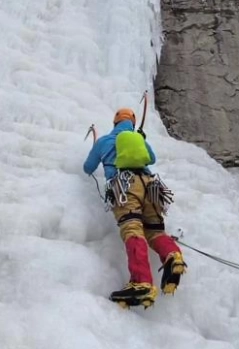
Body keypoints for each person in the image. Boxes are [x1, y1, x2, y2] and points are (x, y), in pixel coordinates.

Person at [83, 107, 187, 308]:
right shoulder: (139, 139)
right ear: (132, 123)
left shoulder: (104, 140)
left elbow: (88, 168)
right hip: (151, 185)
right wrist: (141, 138)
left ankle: (141, 282)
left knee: (132, 228)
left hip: (125, 186)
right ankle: (173, 256)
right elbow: (152, 159)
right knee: (155, 231)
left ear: (115, 123)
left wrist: (98, 149)